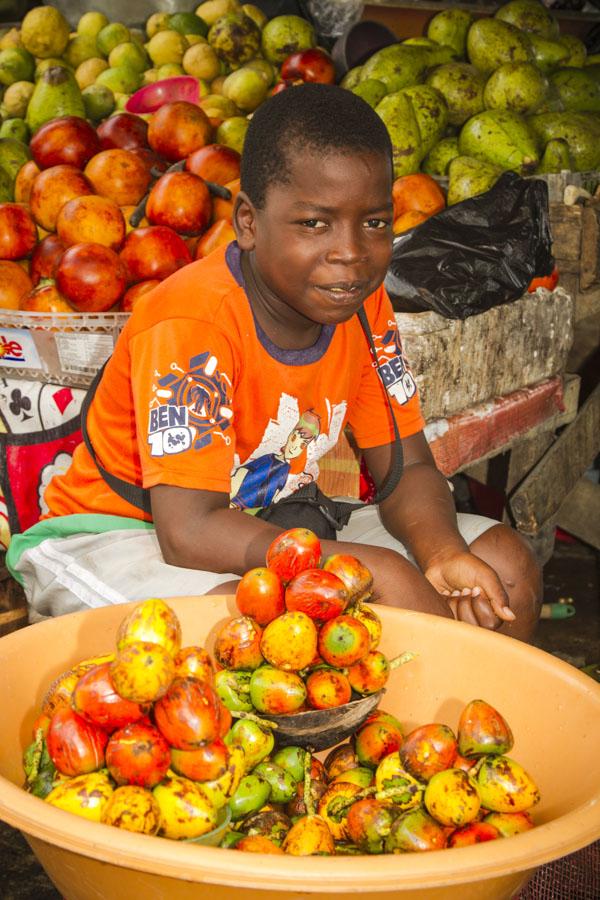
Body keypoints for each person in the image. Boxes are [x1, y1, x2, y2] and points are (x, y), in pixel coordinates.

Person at [7, 83, 542, 640]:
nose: (351, 253)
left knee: (503, 565)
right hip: (119, 536)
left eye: (376, 223)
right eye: (315, 223)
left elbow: (409, 471)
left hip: (270, 519)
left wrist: (442, 554)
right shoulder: (195, 323)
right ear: (247, 222)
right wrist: (371, 569)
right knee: (241, 629)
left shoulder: (363, 307)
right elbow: (187, 532)